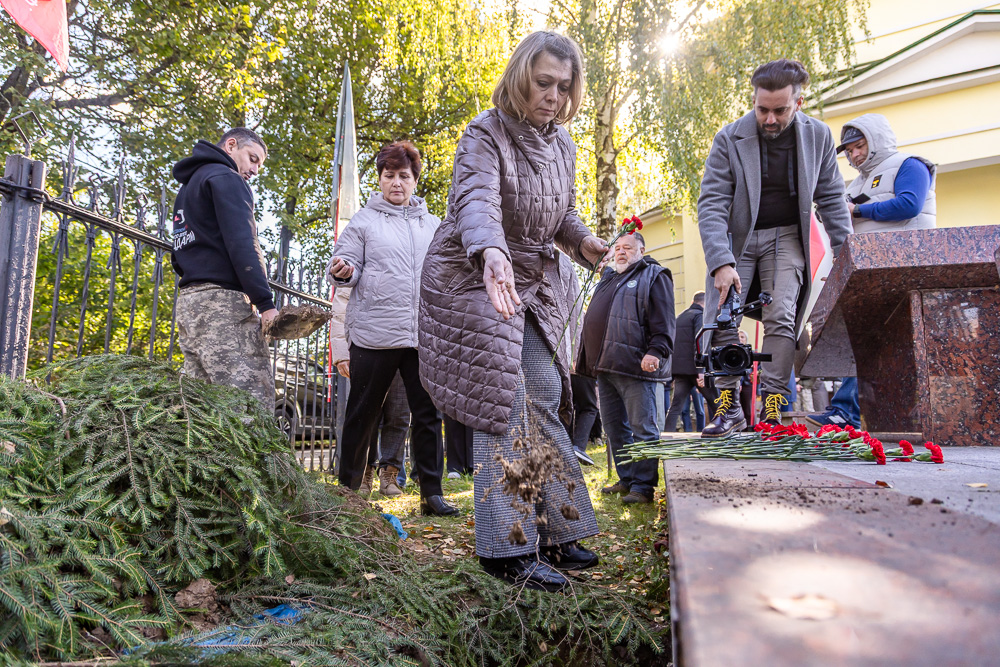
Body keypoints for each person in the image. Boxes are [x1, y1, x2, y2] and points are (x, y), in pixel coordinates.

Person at [418, 31, 606, 592]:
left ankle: (557, 526)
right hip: (476, 272)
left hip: (535, 280)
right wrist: (492, 252)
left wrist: (586, 242)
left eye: (563, 86)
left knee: (547, 392)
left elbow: (562, 212)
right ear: (522, 76)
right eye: (543, 83)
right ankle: (509, 547)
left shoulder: (565, 144)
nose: (552, 95)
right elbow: (476, 202)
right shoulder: (485, 132)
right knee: (505, 402)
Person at [698, 58, 853, 437]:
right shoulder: (729, 138)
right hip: (739, 240)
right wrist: (720, 262)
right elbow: (712, 202)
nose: (769, 119)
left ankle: (772, 410)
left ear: (798, 103)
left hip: (787, 237)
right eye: (762, 109)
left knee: (782, 316)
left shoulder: (817, 136)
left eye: (779, 110)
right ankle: (727, 409)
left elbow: (832, 197)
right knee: (723, 316)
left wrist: (849, 255)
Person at [327, 141, 456, 516]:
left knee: (428, 415)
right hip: (375, 335)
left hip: (422, 337)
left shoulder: (434, 226)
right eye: (389, 176)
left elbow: (449, 271)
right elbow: (344, 259)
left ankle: (432, 493)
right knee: (362, 413)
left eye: (404, 176)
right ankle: (348, 491)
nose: (396, 183)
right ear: (380, 179)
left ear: (415, 180)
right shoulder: (363, 221)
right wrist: (344, 269)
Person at [808, 113, 937, 429]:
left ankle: (846, 411)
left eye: (858, 146)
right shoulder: (858, 182)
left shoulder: (910, 165)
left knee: (873, 340)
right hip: (872, 268)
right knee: (867, 341)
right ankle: (855, 412)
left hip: (905, 262)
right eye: (849, 150)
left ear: (875, 139)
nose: (853, 155)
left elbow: (909, 204)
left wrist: (857, 210)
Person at [171, 128, 277, 410]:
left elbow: (178, 251)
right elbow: (243, 243)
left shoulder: (188, 187)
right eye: (252, 159)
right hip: (222, 306)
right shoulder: (227, 179)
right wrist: (265, 304)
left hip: (189, 304)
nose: (254, 170)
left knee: (199, 410)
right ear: (231, 145)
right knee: (250, 405)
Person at [577, 232, 674, 504]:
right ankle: (627, 478)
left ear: (642, 250)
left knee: (642, 428)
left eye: (628, 247)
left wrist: (657, 350)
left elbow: (664, 318)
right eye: (617, 248)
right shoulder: (610, 279)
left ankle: (643, 487)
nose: (621, 252)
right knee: (615, 429)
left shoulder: (654, 275)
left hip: (635, 365)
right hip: (605, 366)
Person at [330, 286, 411, 496]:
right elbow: (341, 307)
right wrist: (340, 353)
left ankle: (390, 473)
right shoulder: (360, 256)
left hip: (404, 343)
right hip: (367, 346)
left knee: (400, 413)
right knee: (366, 414)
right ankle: (363, 473)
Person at [558, 251, 597, 466]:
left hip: (565, 358)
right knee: (589, 406)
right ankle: (577, 447)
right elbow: (579, 324)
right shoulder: (580, 310)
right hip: (578, 359)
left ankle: (565, 449)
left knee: (565, 406)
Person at [664, 291, 718, 433]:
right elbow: (700, 341)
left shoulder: (680, 317)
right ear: (705, 303)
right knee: (716, 402)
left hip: (681, 370)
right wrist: (701, 370)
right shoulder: (699, 316)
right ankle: (722, 432)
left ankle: (667, 434)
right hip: (696, 370)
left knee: (675, 405)